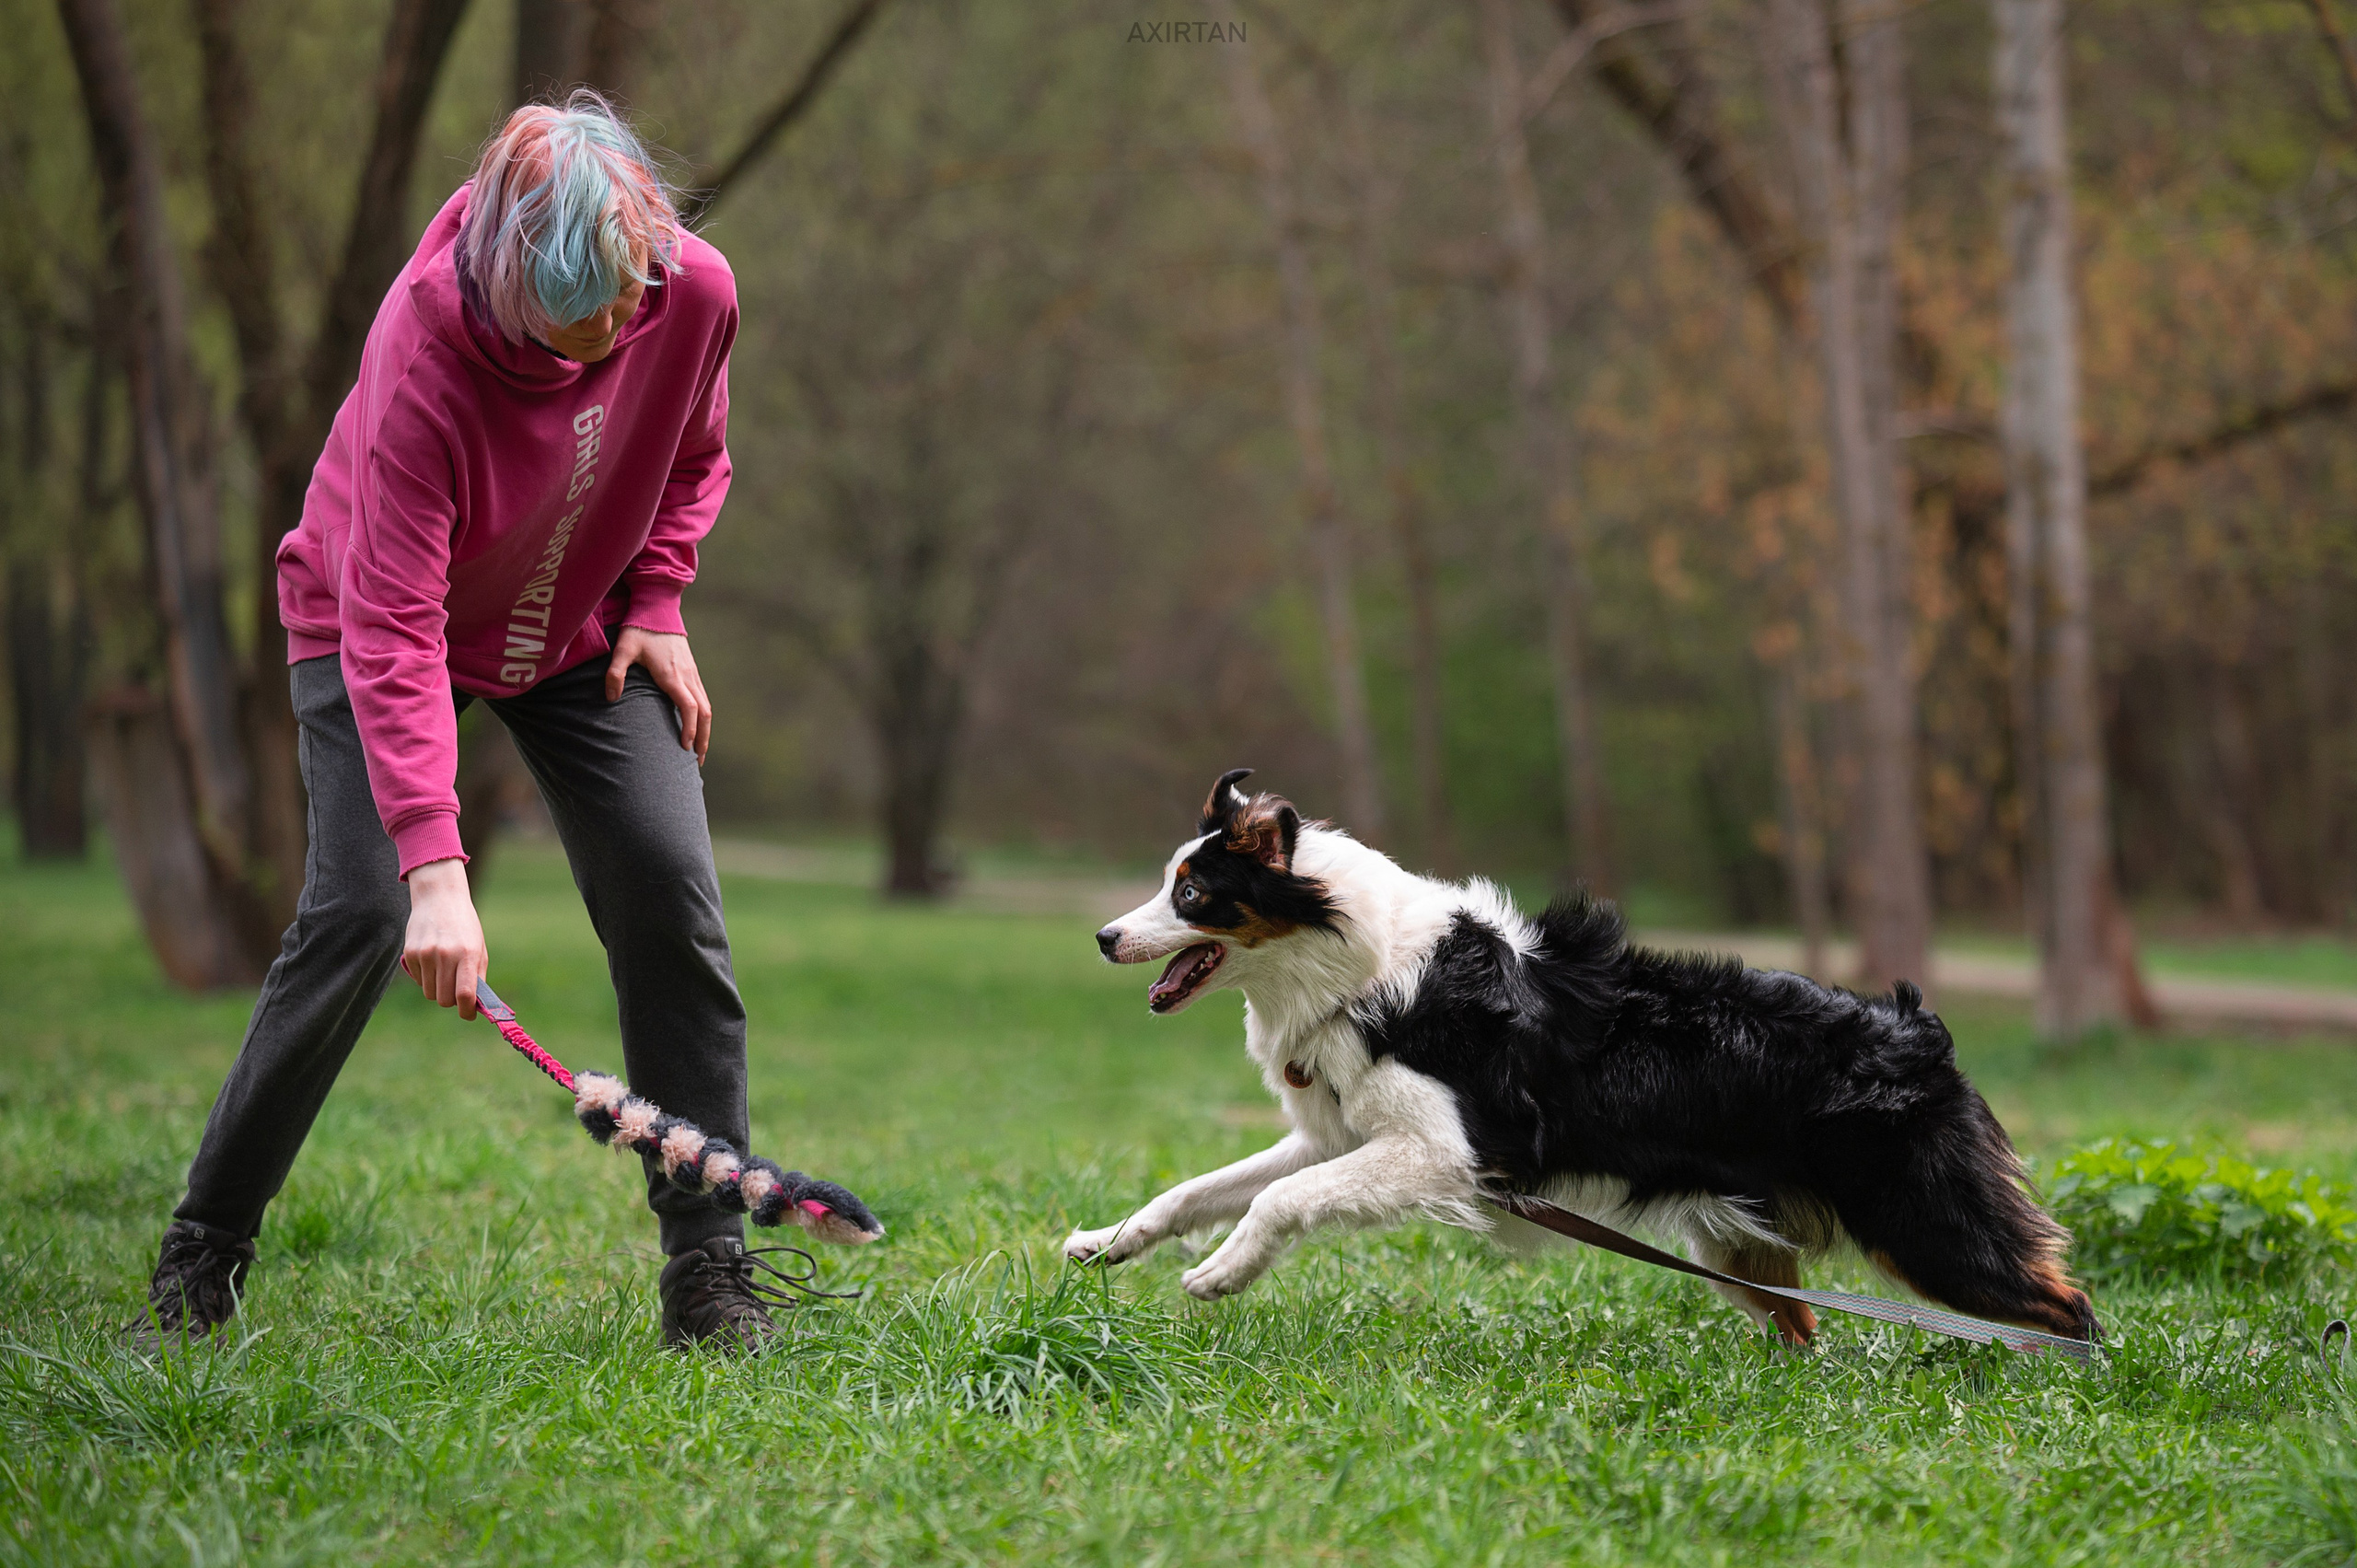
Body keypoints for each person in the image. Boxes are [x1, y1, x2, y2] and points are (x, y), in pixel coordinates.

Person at [132, 94, 783, 1353]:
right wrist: (435, 867)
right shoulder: (427, 354)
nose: (607, 338)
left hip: (579, 626)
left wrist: (659, 597)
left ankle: (710, 1272)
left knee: (669, 889)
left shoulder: (688, 289)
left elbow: (696, 448)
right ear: (503, 280)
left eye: (625, 302)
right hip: (377, 616)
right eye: (573, 321)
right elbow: (391, 627)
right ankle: (203, 1248)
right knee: (363, 914)